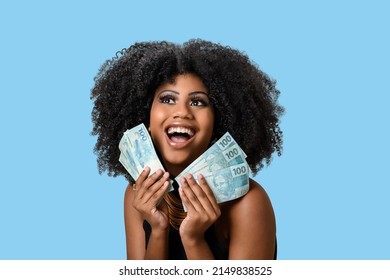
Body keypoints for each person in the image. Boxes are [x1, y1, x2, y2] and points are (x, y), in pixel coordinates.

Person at [90, 39, 284, 260]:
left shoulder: (248, 203)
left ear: (218, 123)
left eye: (198, 102)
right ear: (147, 120)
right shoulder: (138, 196)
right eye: (167, 99)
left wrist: (193, 239)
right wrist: (158, 230)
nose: (181, 112)